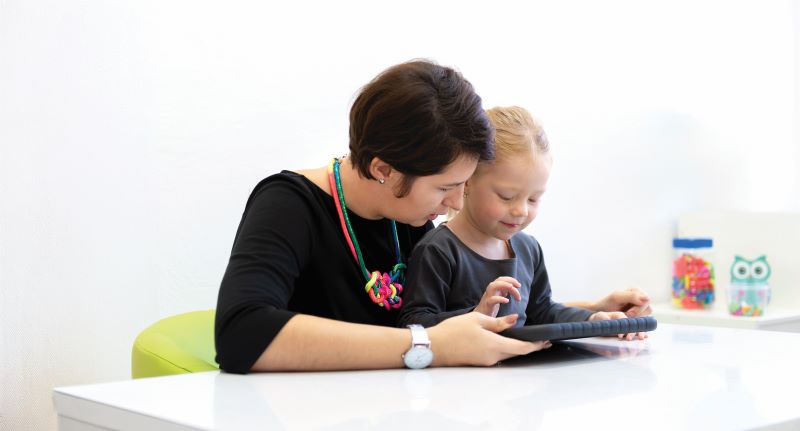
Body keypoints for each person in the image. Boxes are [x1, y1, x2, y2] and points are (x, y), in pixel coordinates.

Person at [215, 61, 651, 374]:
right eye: (445, 188)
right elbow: (241, 333)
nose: (457, 205)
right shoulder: (290, 203)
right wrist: (425, 345)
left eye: (463, 185)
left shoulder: (408, 217)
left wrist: (593, 311)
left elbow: (469, 318)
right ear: (384, 169)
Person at [398, 106, 650, 341]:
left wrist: (593, 319)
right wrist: (476, 313)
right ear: (468, 182)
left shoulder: (529, 249)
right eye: (506, 197)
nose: (520, 210)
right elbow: (412, 324)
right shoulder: (437, 250)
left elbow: (542, 311)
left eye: (533, 199)